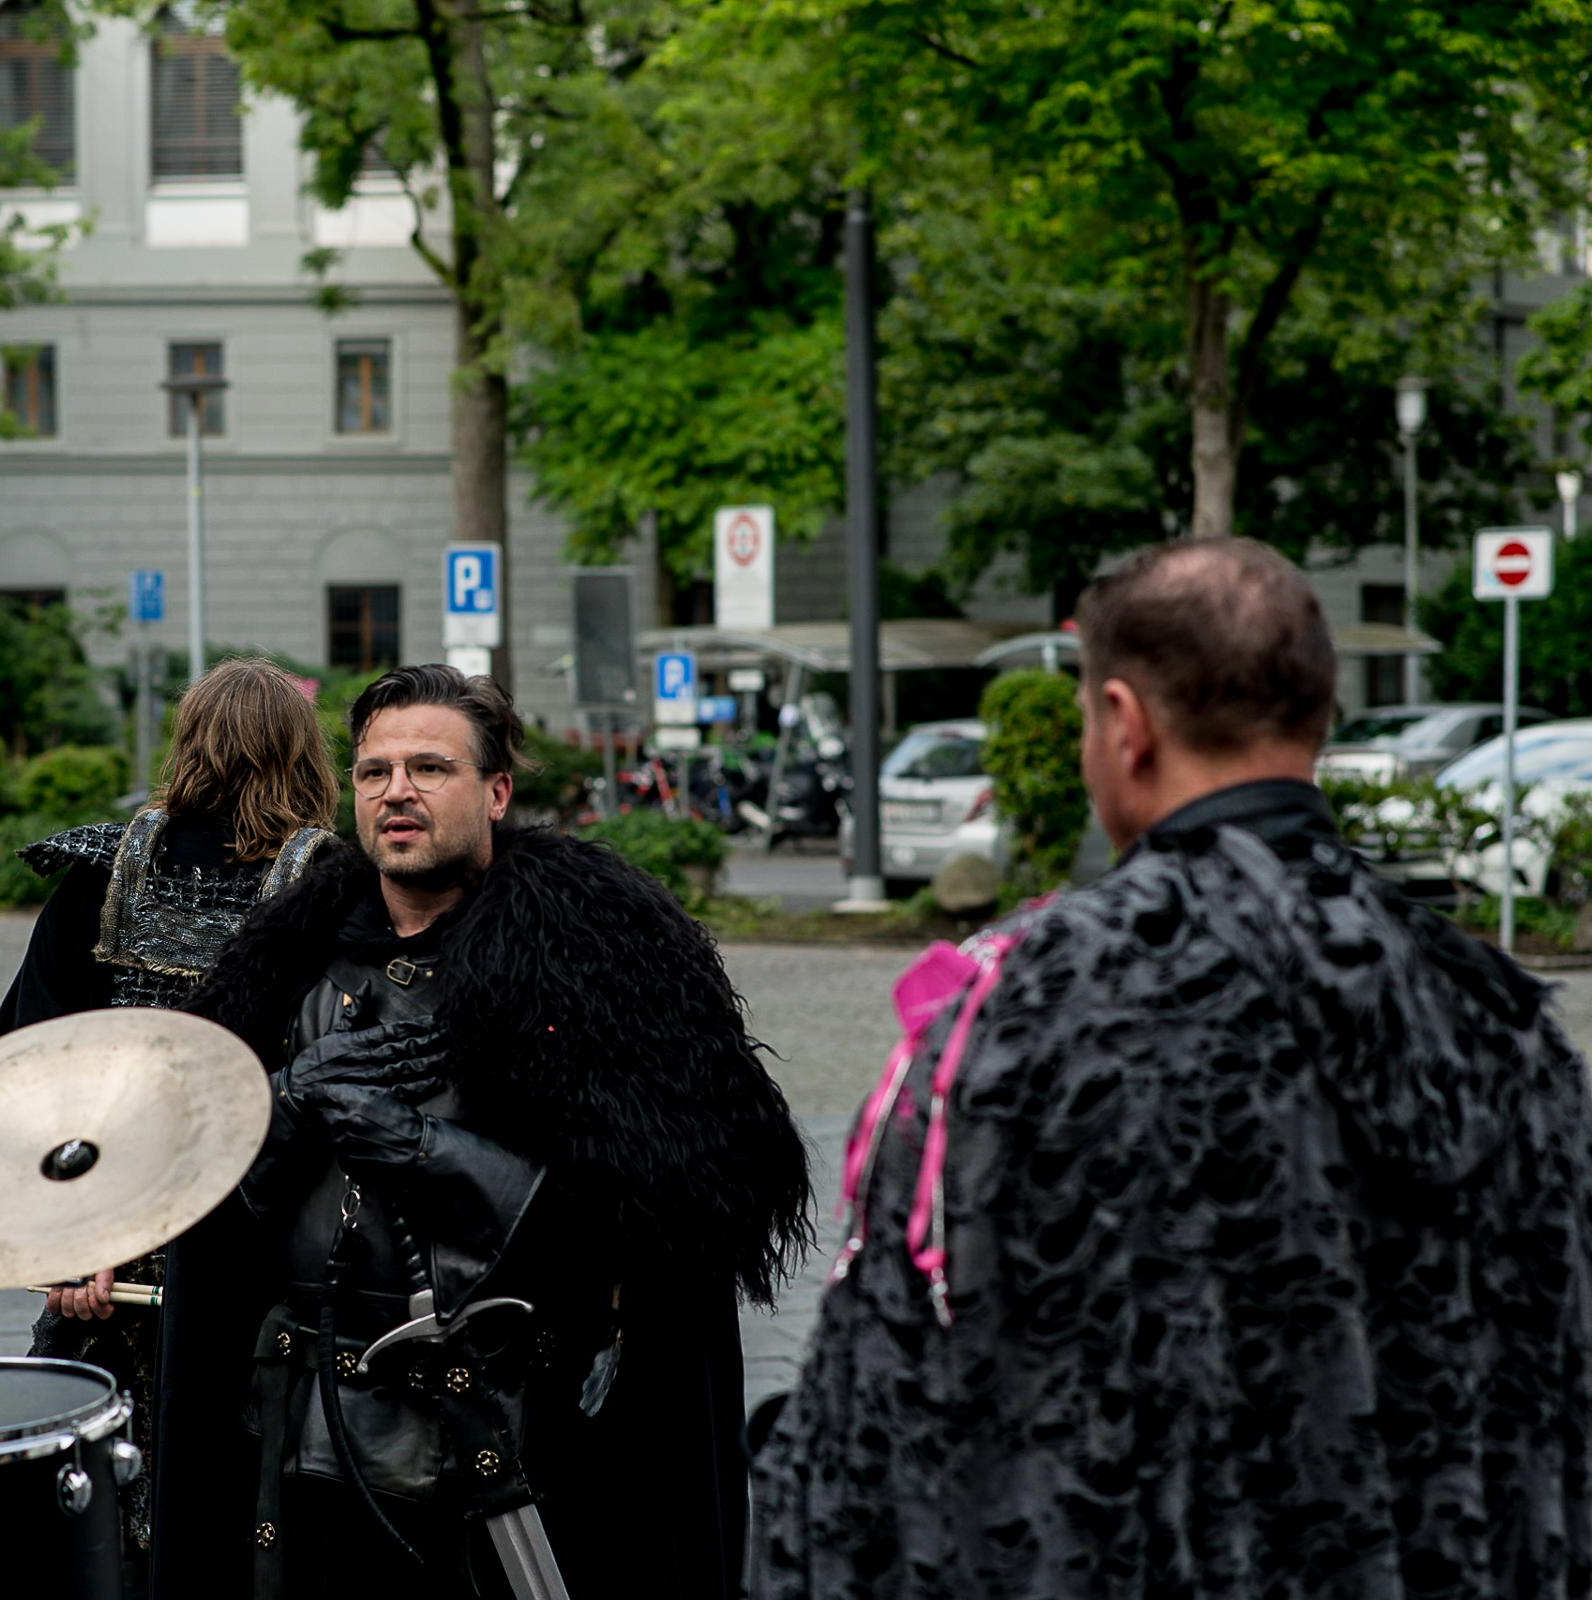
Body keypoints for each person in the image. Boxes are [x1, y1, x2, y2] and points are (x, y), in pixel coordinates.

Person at [747, 537, 1592, 1598]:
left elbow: (897, 1397)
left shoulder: (1026, 1006)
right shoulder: (1497, 1016)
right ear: (1318, 720)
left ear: (1124, 723)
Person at [154, 663, 812, 1600]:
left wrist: (427, 1153)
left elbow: (669, 1216)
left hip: (512, 1444)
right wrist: (288, 1102)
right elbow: (209, 1209)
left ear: (496, 791)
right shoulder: (287, 962)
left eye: (431, 767)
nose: (398, 792)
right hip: (300, 1441)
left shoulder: (588, 959)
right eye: (375, 772)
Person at [0, 655, 339, 1556]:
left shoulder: (100, 869)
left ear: (188, 746)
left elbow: (21, 1069)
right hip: (269, 1254)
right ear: (307, 759)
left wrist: (70, 1242)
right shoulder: (330, 883)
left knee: (95, 1516)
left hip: (107, 1247)